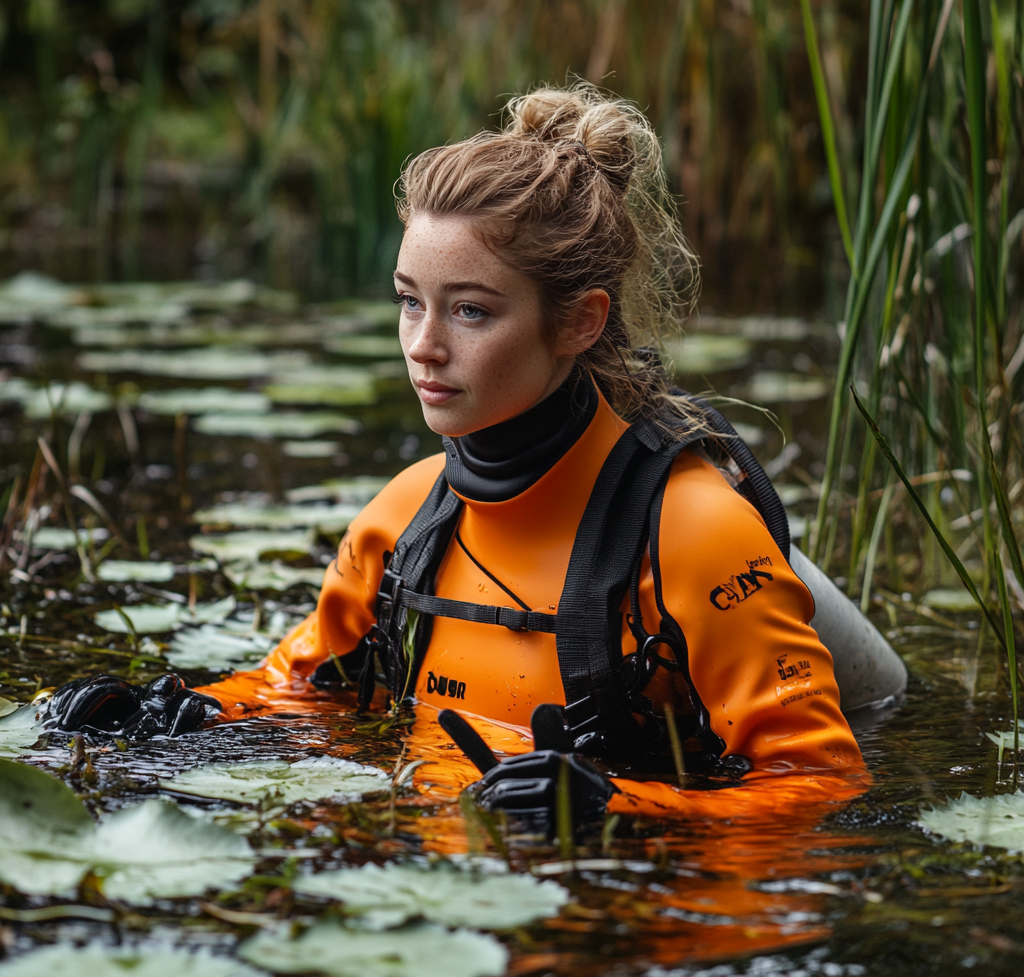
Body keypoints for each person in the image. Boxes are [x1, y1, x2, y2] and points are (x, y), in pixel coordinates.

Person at [46, 83, 867, 830]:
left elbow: (823, 785)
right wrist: (171, 710)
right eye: (410, 303)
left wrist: (622, 806)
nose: (423, 348)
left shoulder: (696, 531)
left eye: (470, 312)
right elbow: (300, 689)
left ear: (579, 322)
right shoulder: (407, 513)